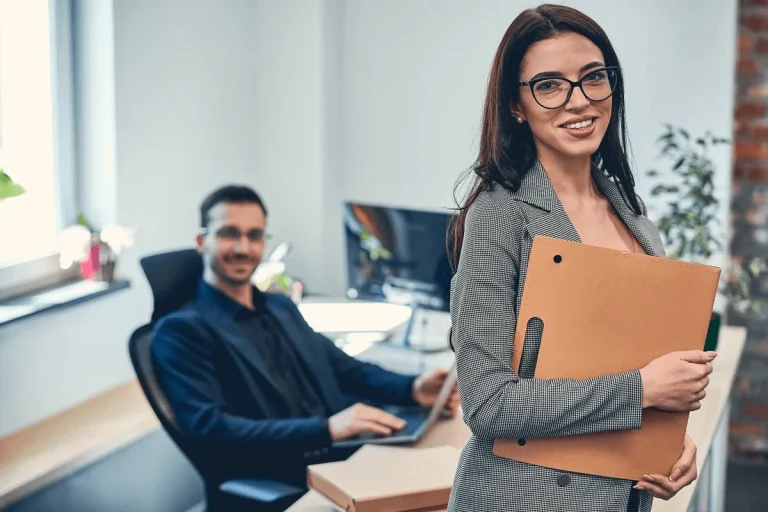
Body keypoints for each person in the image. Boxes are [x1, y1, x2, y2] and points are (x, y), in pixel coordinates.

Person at [448, 5, 715, 512]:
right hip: (522, 499)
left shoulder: (630, 210)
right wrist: (640, 391)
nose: (579, 101)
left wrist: (670, 444)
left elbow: (637, 364)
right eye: (549, 85)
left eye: (594, 78)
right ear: (515, 106)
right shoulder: (499, 214)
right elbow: (487, 404)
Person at [151, 185, 459, 497]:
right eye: (230, 233)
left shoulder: (279, 306)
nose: (244, 247)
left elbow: (347, 370)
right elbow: (212, 430)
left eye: (255, 235)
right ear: (202, 241)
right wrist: (326, 430)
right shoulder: (181, 331)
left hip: (344, 455)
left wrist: (413, 388)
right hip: (288, 472)